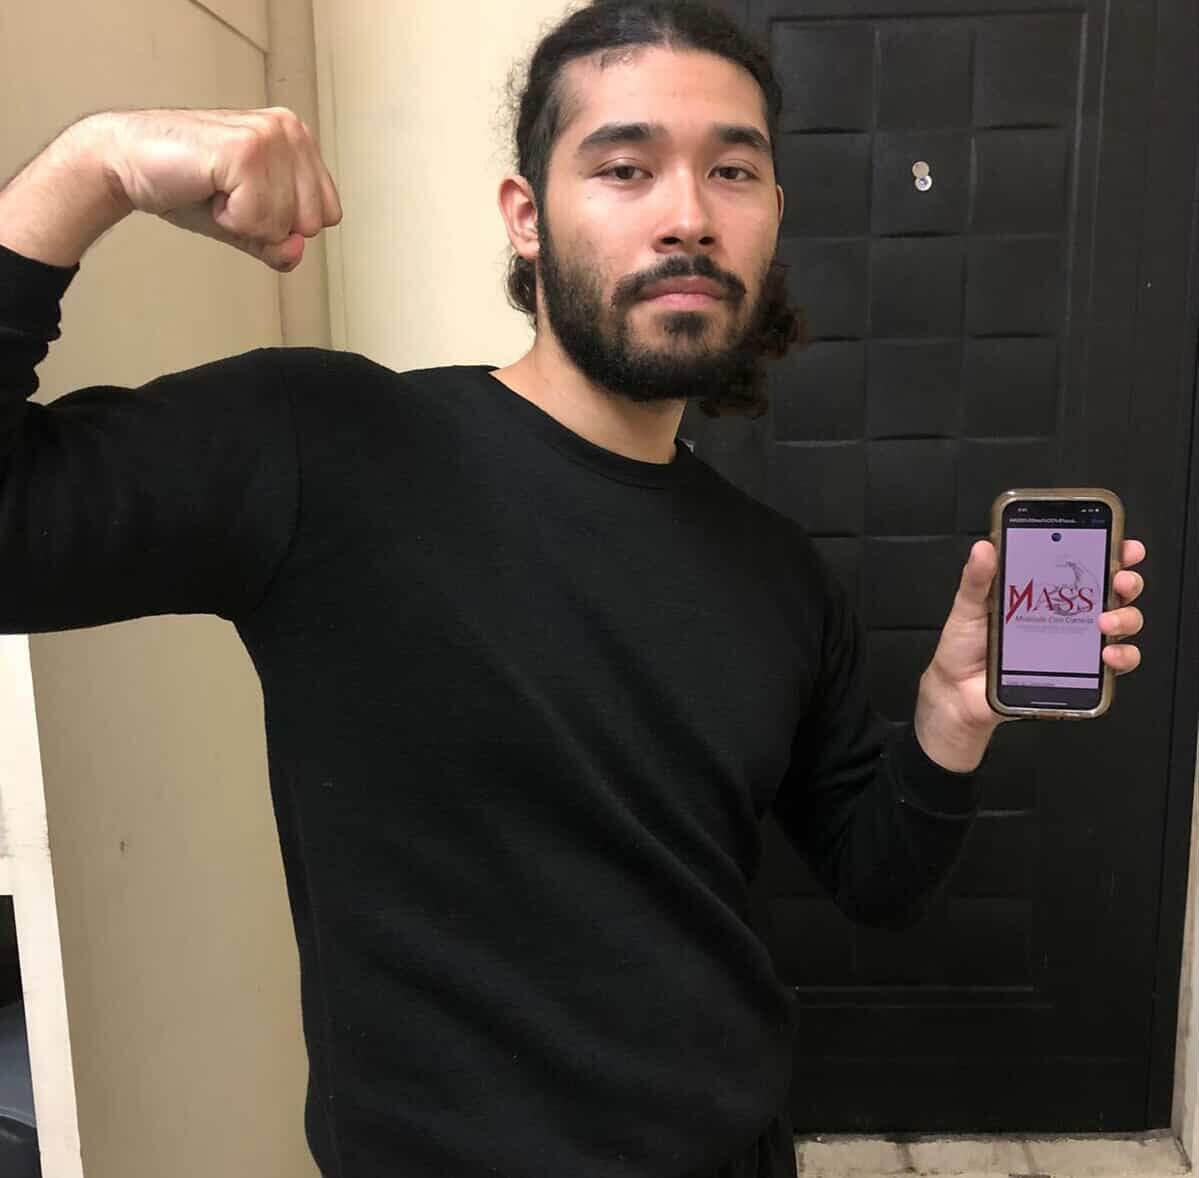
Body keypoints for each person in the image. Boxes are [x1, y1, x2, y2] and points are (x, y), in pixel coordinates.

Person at [0, 2, 1146, 1175]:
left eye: (731, 170)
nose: (688, 214)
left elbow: (876, 877)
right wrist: (93, 168)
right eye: (624, 166)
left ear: (771, 218)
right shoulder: (326, 447)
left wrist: (950, 720)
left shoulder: (777, 571)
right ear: (526, 216)